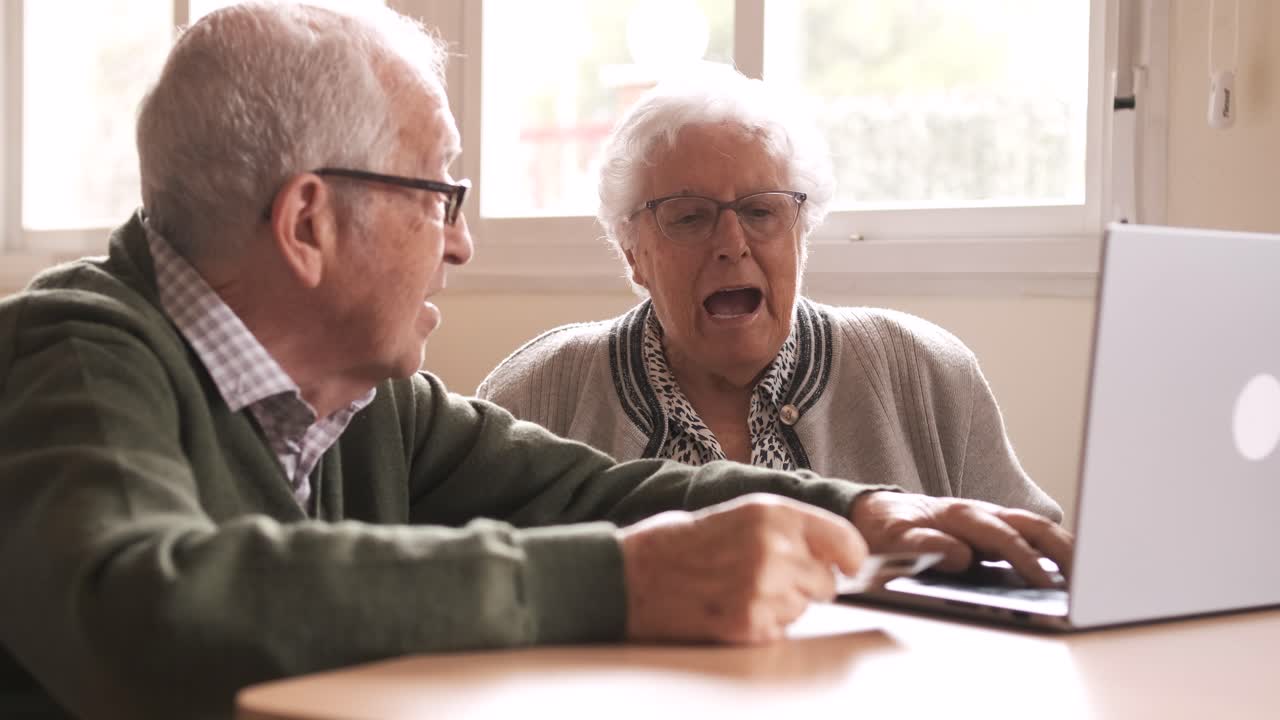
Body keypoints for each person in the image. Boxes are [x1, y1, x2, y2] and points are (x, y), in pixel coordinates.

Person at [0, 4, 1069, 719]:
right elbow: (136, 606)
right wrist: (626, 581)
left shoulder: (372, 403)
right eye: (436, 193)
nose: (460, 242)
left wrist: (861, 507)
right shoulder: (75, 350)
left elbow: (591, 488)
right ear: (308, 223)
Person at [478, 63, 1063, 522]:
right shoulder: (537, 395)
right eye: (689, 217)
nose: (731, 243)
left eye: (762, 211)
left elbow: (1033, 569)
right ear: (633, 251)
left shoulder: (925, 375)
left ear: (801, 234)